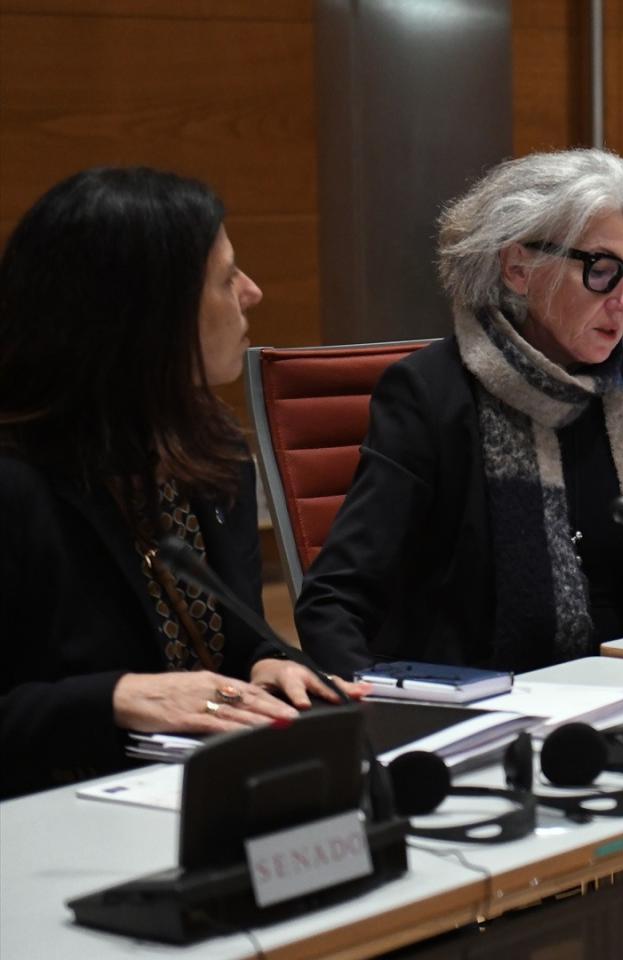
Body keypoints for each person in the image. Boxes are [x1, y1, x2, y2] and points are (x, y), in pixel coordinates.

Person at [295, 150, 623, 678]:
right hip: (491, 703)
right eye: (601, 270)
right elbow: (333, 602)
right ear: (517, 269)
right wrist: (389, 720)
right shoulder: (432, 395)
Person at [0, 167, 358, 798]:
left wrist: (270, 662)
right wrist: (117, 696)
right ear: (145, 316)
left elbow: (236, 635)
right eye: (226, 278)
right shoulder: (16, 482)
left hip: (203, 794)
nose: (253, 293)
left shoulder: (210, 453)